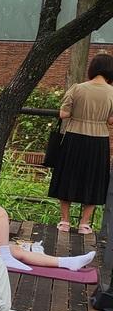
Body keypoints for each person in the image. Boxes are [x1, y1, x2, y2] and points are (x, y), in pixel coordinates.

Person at [51, 53, 113, 235]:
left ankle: (64, 221)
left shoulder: (77, 88)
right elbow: (111, 121)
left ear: (92, 69)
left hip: (74, 138)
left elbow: (63, 114)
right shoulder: (112, 92)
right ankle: (85, 224)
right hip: (98, 140)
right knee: (95, 178)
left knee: (68, 175)